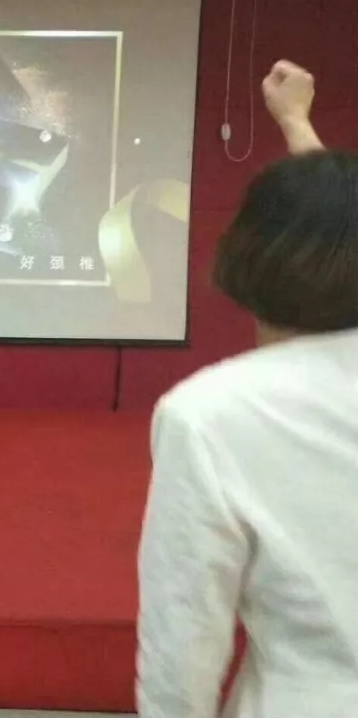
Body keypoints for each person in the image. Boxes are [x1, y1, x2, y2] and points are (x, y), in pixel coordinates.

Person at [136, 61, 358, 718]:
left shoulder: (211, 414)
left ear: (242, 255)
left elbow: (184, 634)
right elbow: (339, 232)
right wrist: (296, 124)